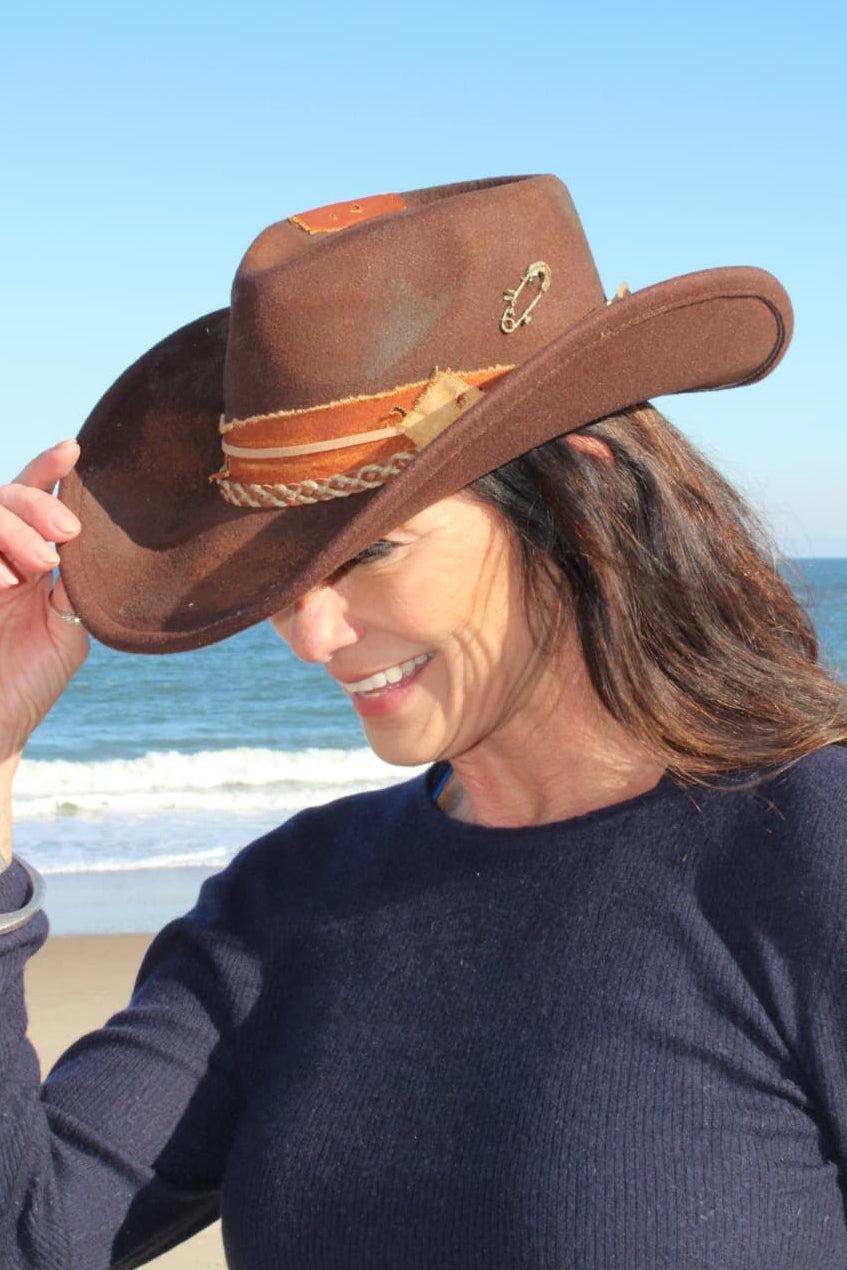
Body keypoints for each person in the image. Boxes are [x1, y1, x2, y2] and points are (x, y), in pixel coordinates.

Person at [0, 174, 845, 1269]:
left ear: (579, 499)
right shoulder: (285, 905)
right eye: (282, 575)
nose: (311, 635)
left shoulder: (810, 853)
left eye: (371, 553)